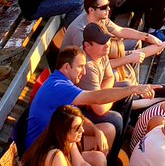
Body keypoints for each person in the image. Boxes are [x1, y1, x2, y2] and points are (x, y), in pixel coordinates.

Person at [23, 46, 153, 152]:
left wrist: (96, 131)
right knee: (110, 129)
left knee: (107, 130)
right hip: (43, 151)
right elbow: (96, 98)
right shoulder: (58, 87)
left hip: (57, 138)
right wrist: (133, 89)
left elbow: (76, 116)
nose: (84, 72)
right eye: (80, 66)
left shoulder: (61, 81)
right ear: (67, 67)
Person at [21, 104, 105, 166]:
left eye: (82, 125)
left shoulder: (68, 141)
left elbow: (80, 163)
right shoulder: (56, 156)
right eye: (77, 128)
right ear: (64, 131)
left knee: (99, 158)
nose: (82, 130)